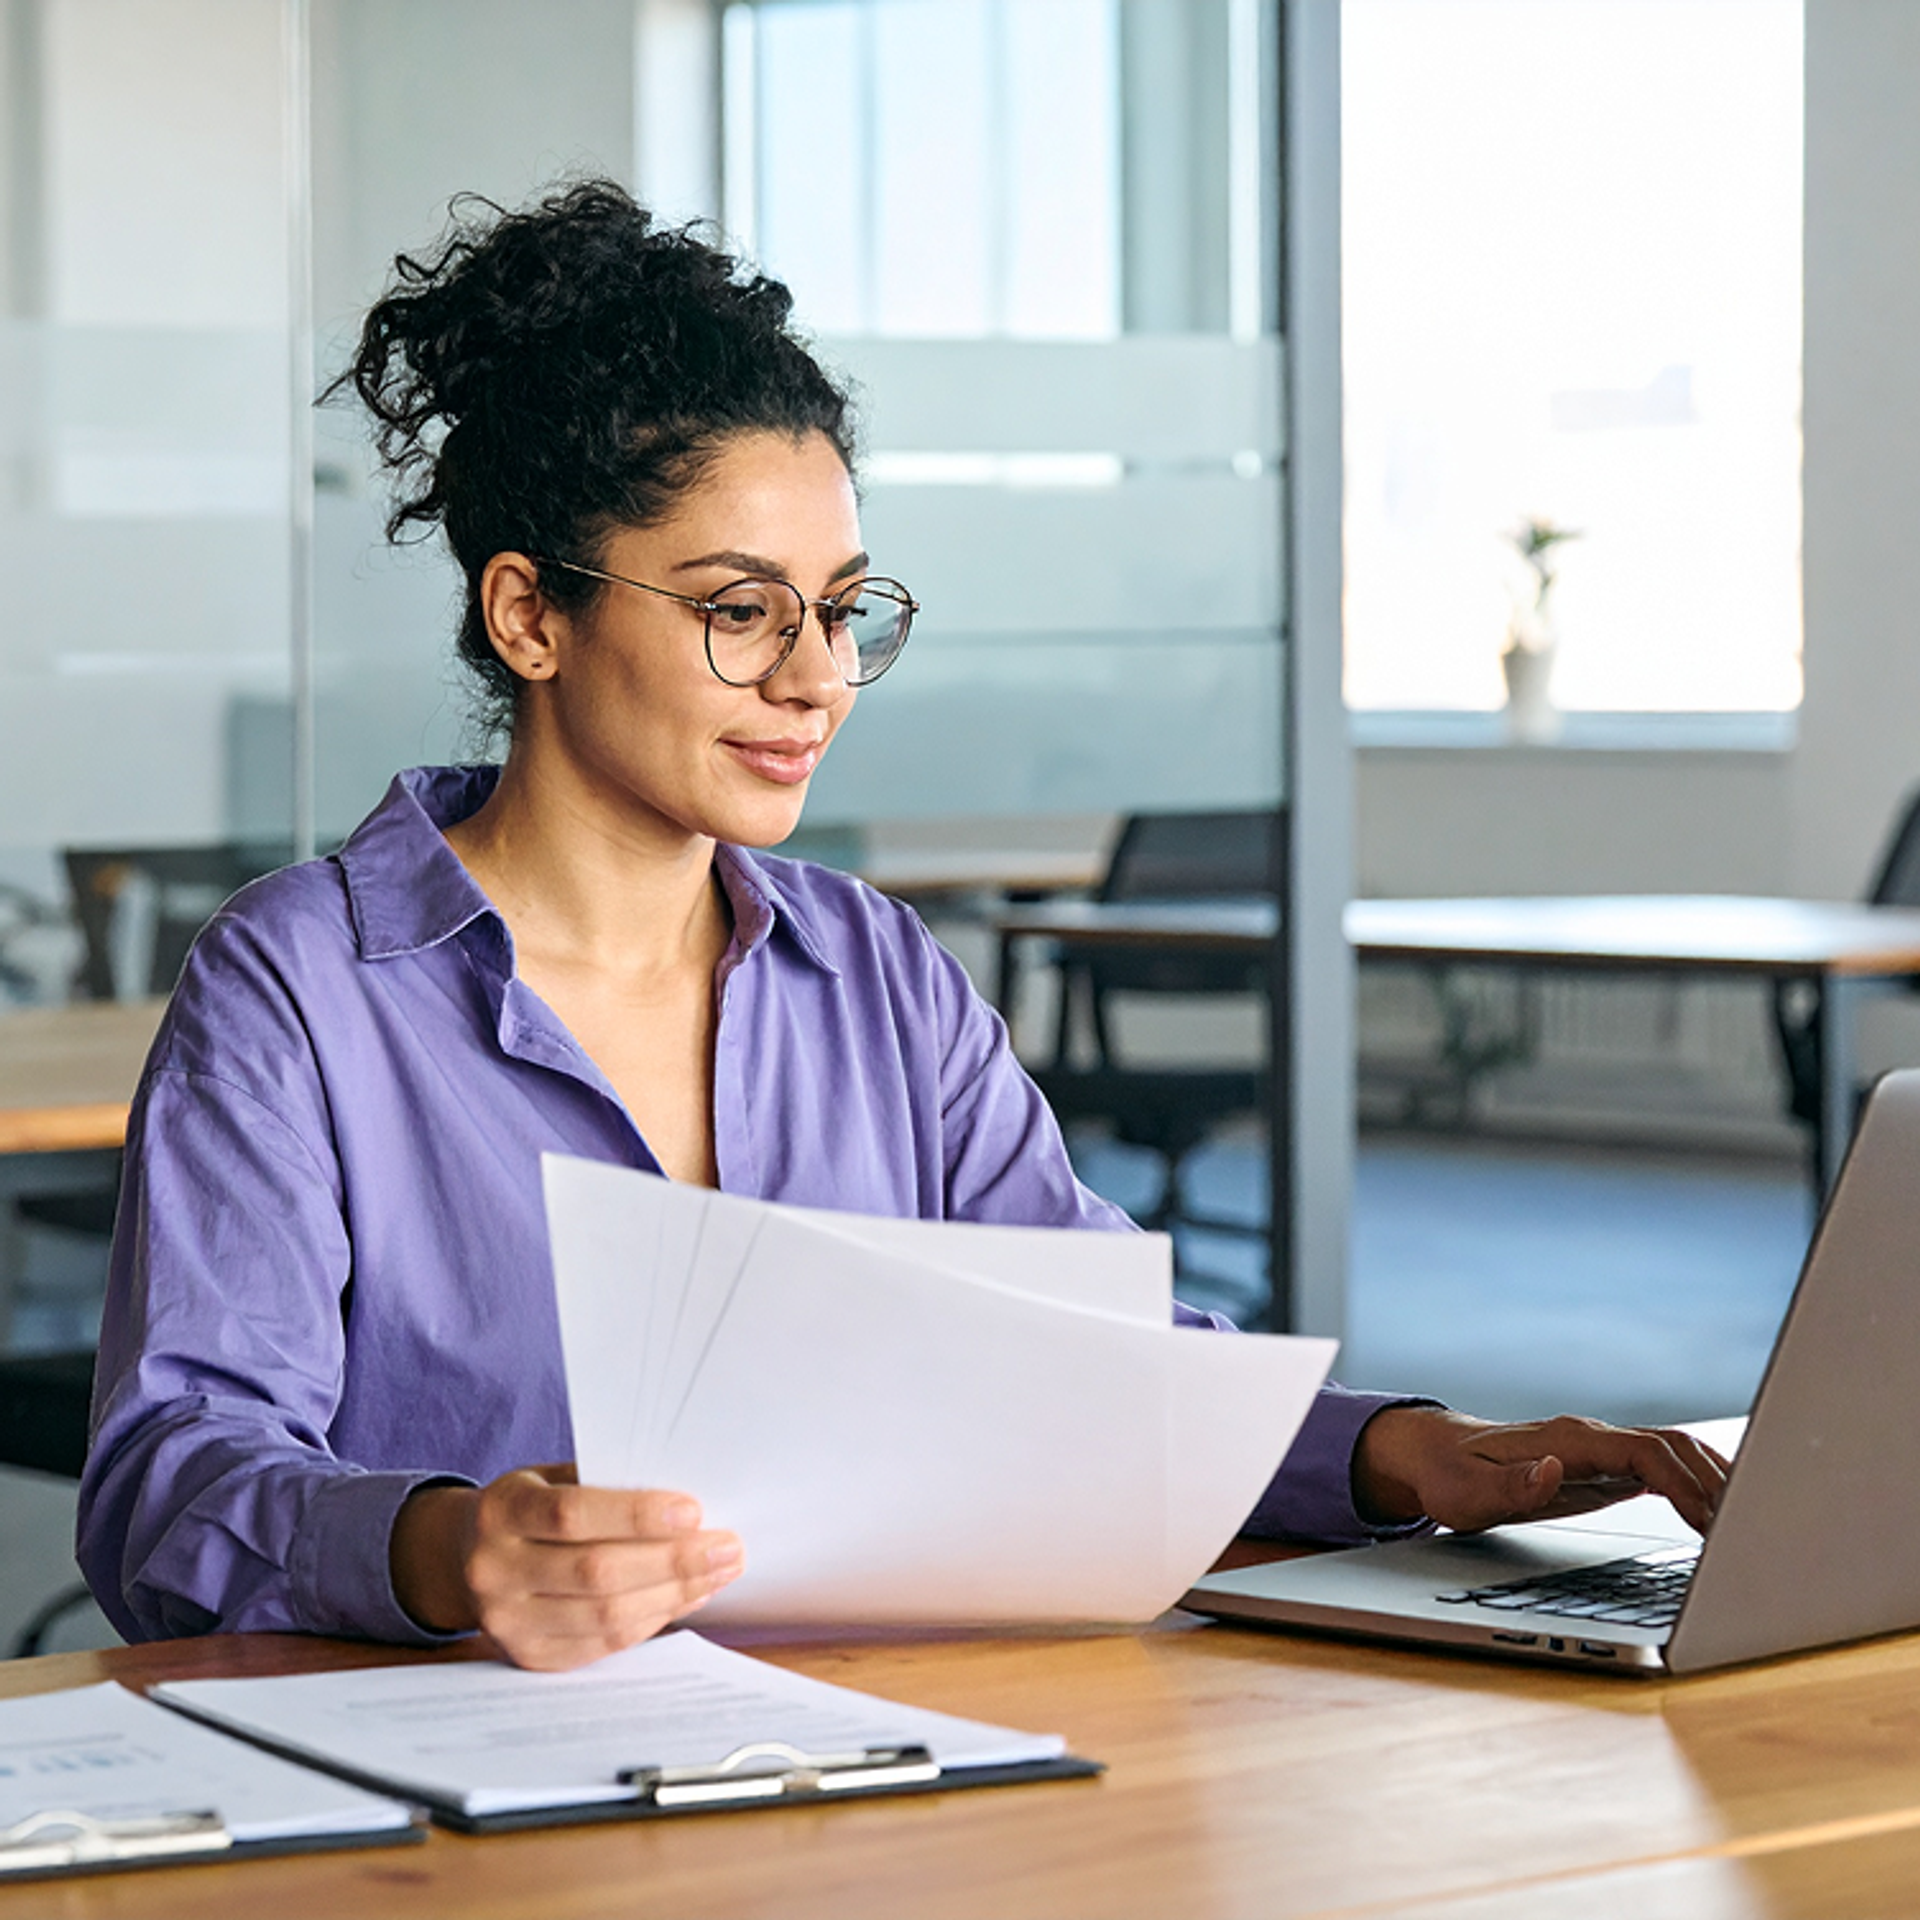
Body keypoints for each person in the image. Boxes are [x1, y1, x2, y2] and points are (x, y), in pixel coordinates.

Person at [76, 182, 1726, 1671]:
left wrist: (1402, 1454)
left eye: (845, 609)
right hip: (477, 1787)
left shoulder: (873, 972)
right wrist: (447, 1550)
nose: (818, 676)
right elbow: (172, 1489)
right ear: (531, 615)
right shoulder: (301, 987)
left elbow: (1088, 1351)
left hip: (886, 1735)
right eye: (741, 611)